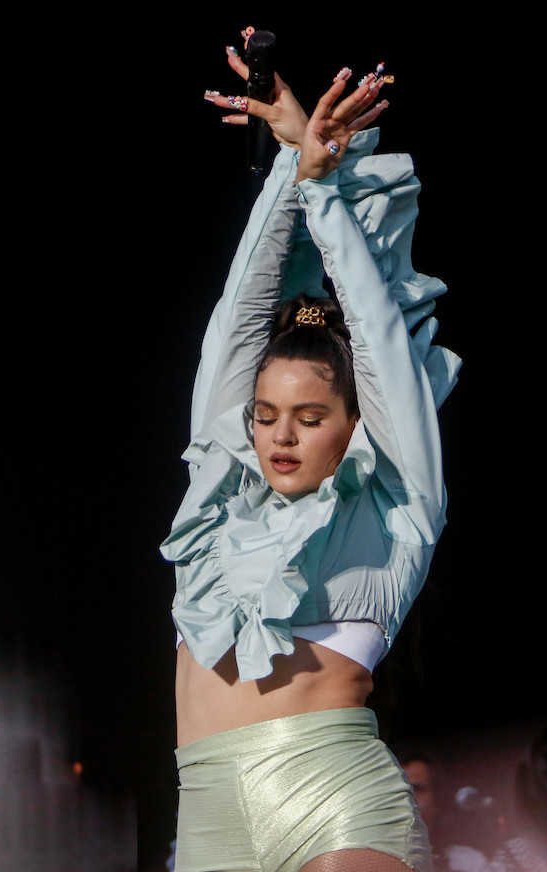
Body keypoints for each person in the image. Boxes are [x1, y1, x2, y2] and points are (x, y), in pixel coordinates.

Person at [160, 31, 461, 872]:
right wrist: (294, 168)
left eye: (307, 415)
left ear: (352, 423)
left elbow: (375, 339)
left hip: (332, 795)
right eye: (263, 414)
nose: (278, 434)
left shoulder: (396, 503)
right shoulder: (219, 495)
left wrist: (323, 195)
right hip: (208, 802)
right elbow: (237, 317)